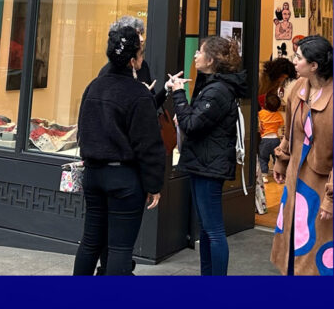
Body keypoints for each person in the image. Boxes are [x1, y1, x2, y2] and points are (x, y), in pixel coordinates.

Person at [72, 26, 165, 275]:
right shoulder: (137, 94)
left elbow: (83, 130)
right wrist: (154, 184)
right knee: (120, 249)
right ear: (133, 60)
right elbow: (149, 146)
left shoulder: (93, 87)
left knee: (90, 242)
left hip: (93, 175)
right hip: (124, 179)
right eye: (141, 54)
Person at [168, 35, 247, 276]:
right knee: (205, 228)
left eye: (199, 52)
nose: (195, 55)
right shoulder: (213, 86)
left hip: (208, 166)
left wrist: (179, 95)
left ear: (211, 60)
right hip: (203, 162)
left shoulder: (218, 91)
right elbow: (197, 120)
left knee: (213, 230)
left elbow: (192, 124)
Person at [271, 35, 333, 276]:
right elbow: (289, 132)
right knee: (293, 239)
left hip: (322, 183)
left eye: (298, 58)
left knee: (319, 249)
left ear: (314, 65)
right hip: (296, 178)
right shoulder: (297, 88)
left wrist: (331, 198)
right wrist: (281, 160)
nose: (293, 62)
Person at [258, 93, 284, 181]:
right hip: (275, 140)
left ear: (265, 104)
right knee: (276, 158)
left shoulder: (261, 113)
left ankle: (264, 175)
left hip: (264, 140)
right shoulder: (279, 115)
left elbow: (259, 124)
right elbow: (281, 124)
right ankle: (277, 173)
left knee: (263, 158)